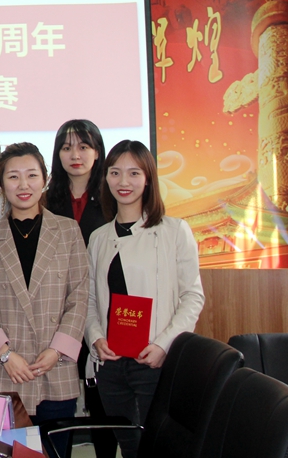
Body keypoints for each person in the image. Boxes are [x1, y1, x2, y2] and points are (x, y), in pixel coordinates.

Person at [85, 140, 204, 458]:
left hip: (154, 361)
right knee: (128, 446)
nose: (123, 181)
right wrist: (95, 337)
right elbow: (89, 299)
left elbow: (192, 296)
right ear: (106, 178)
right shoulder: (98, 238)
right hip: (110, 364)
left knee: (157, 447)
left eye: (134, 173)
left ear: (148, 178)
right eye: (115, 172)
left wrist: (164, 344)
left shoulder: (174, 231)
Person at [0, 142, 88, 458]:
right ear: (1, 183)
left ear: (45, 179)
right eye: (13, 177)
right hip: (2, 372)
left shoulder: (68, 231)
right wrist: (6, 354)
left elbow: (79, 297)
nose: (23, 185)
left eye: (32, 175)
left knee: (55, 453)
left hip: (54, 369)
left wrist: (57, 350)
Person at [44, 119, 116, 458]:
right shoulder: (45, 199)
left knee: (102, 400)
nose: (75, 155)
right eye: (67, 147)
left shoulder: (113, 197)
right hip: (57, 314)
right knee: (59, 400)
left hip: (102, 311)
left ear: (97, 152)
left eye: (84, 147)